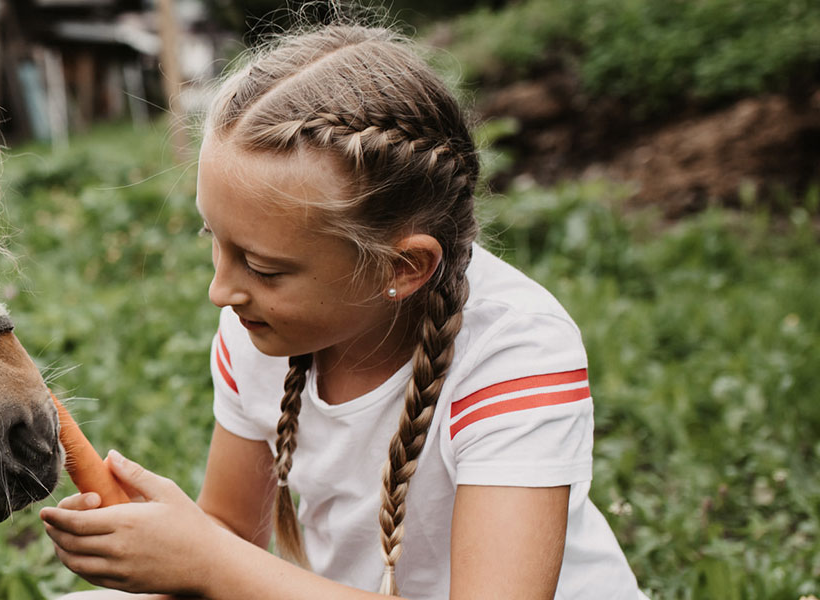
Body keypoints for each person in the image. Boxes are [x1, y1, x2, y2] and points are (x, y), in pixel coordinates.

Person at [39, 25, 644, 599]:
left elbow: (224, 563)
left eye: (265, 268)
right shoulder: (260, 330)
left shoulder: (516, 352)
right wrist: (163, 548)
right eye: (212, 241)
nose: (220, 292)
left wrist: (208, 559)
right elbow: (228, 530)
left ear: (402, 268)